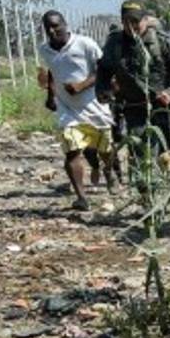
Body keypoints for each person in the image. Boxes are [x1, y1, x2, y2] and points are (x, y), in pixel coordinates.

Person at [96, 1, 170, 166]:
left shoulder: (162, 41)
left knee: (169, 156)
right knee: (141, 155)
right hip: (134, 108)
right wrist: (104, 90)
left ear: (146, 20)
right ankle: (145, 188)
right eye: (126, 21)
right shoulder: (115, 43)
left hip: (164, 108)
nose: (131, 26)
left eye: (136, 21)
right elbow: (104, 69)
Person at [38, 11, 114, 210]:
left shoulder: (85, 44)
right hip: (67, 109)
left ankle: (108, 170)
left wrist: (82, 85)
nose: (53, 31)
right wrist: (50, 96)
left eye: (56, 26)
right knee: (71, 152)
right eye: (49, 28)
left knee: (105, 150)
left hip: (94, 106)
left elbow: (103, 71)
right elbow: (52, 73)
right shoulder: (45, 50)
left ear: (65, 24)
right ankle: (82, 198)